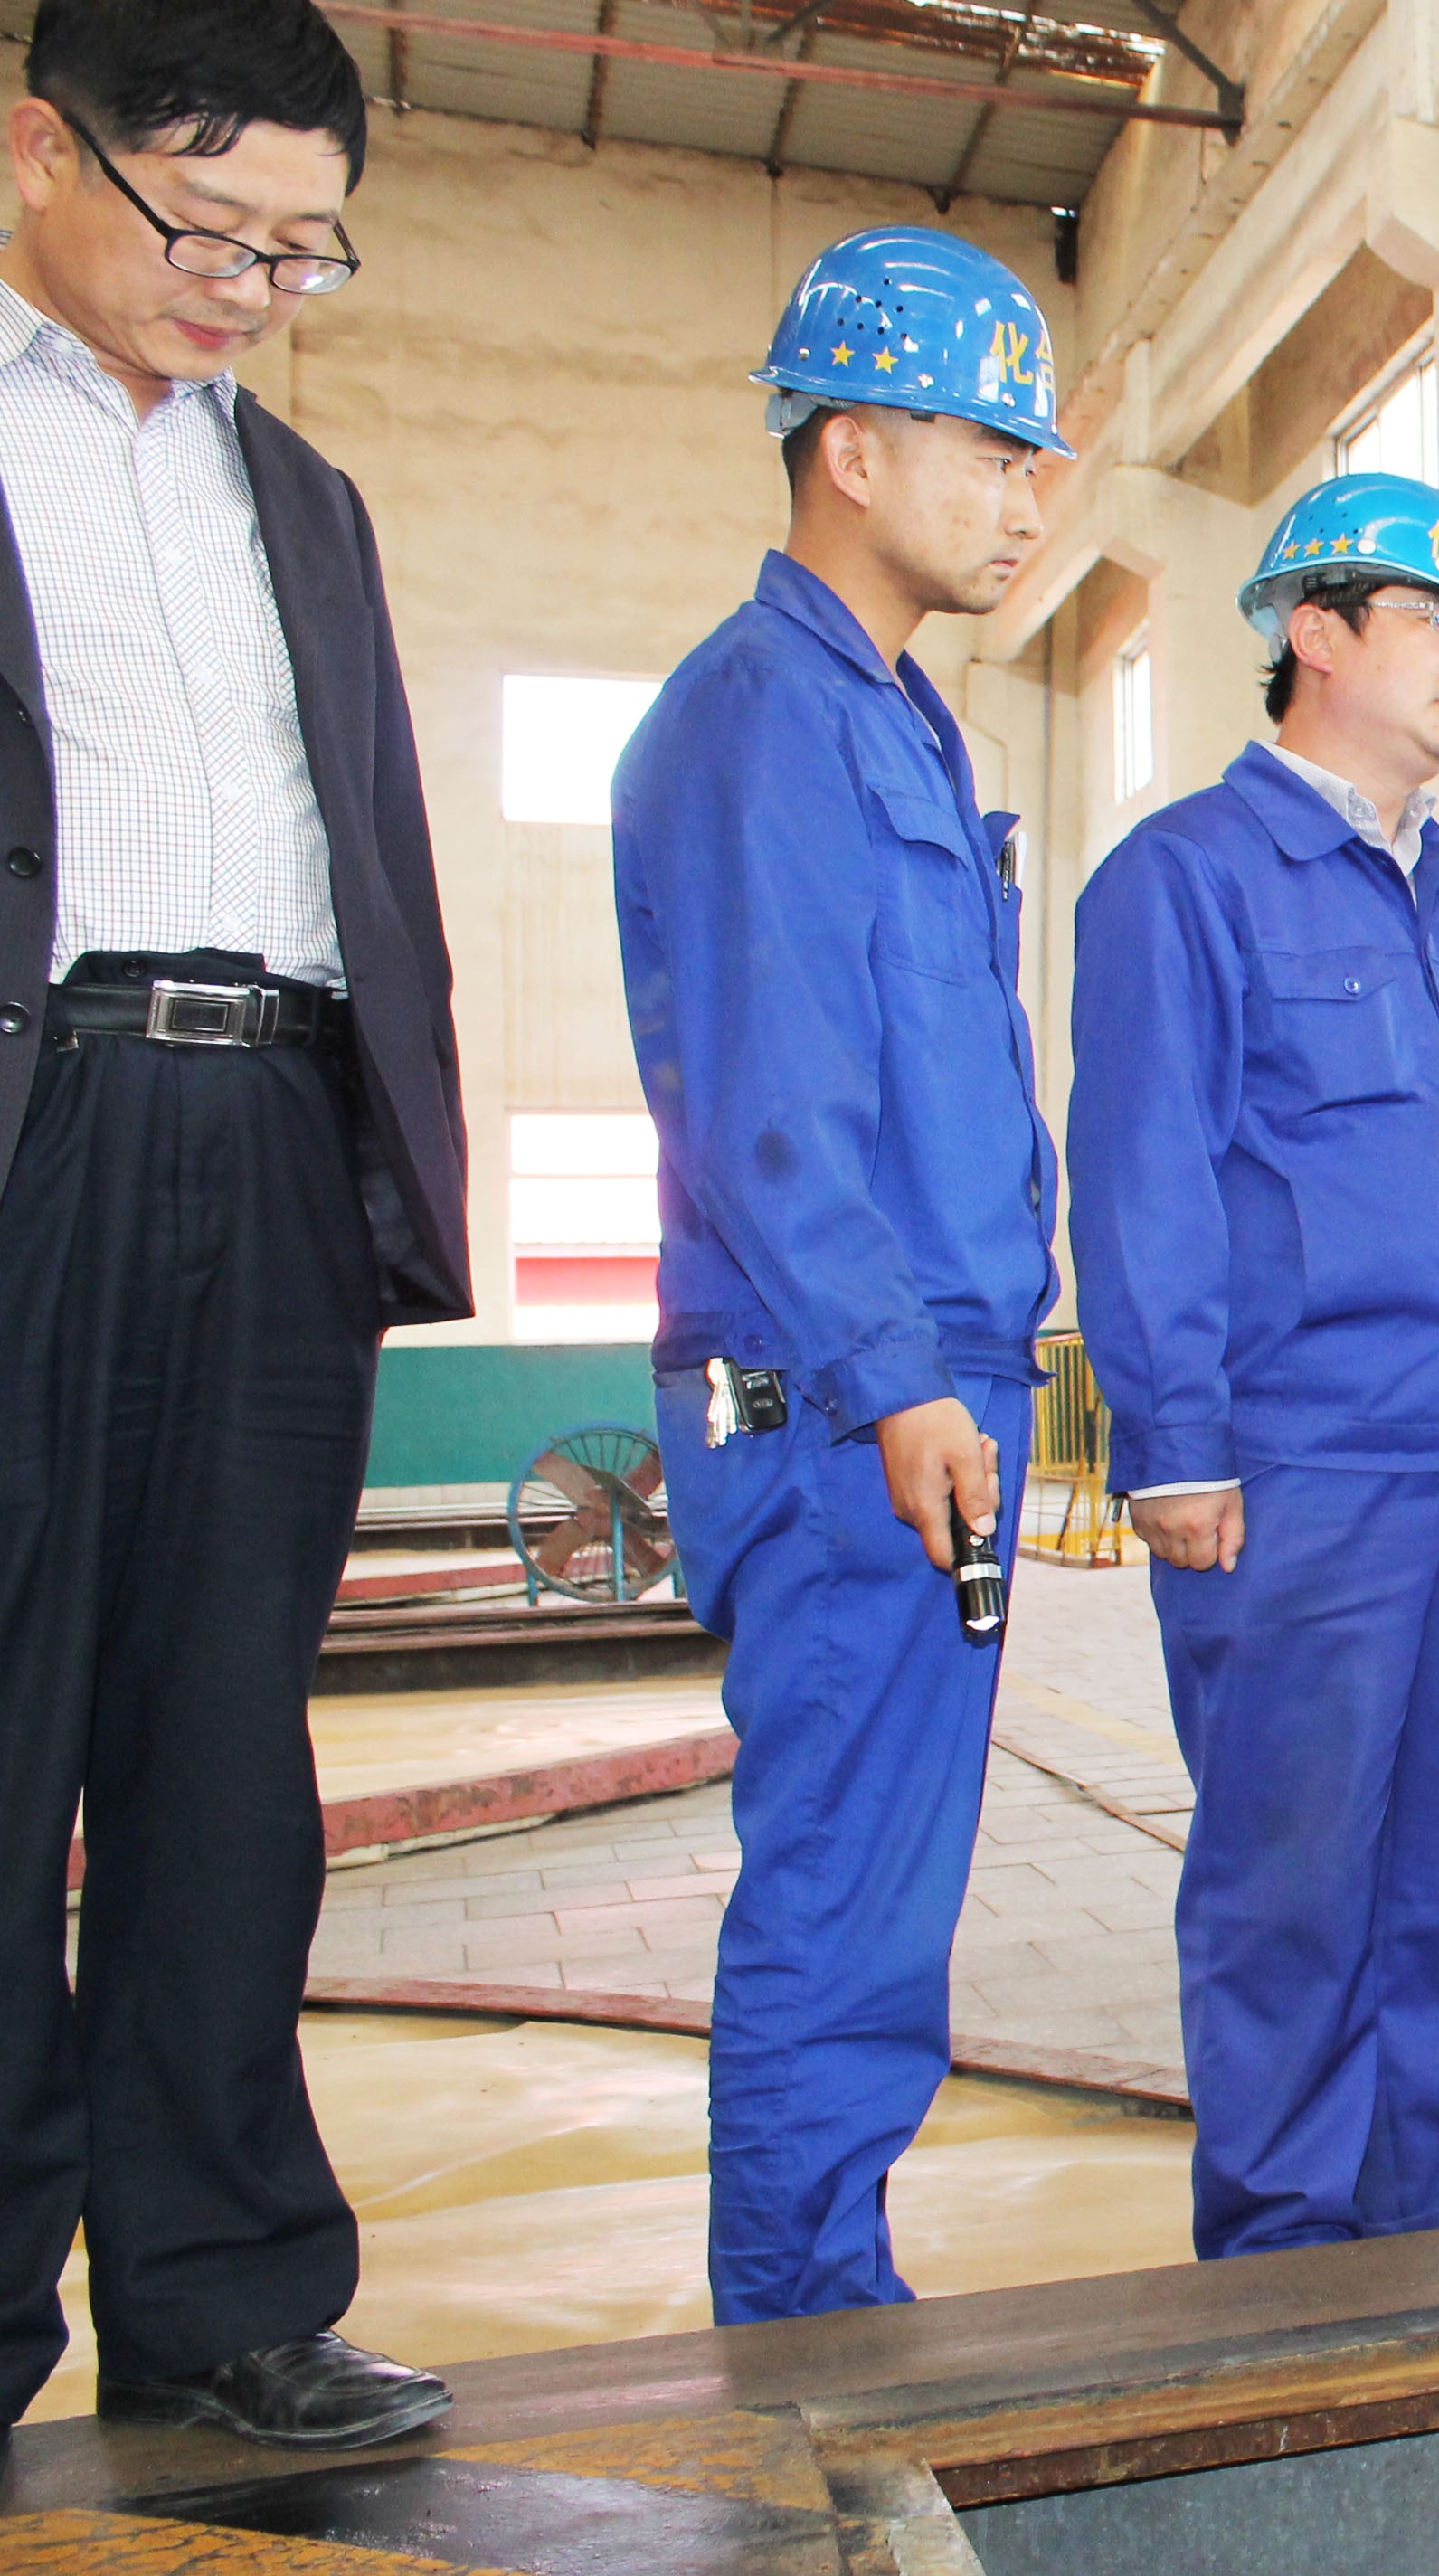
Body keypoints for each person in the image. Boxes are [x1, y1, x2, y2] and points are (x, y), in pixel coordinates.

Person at [0, 0, 464, 2449]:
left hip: (275, 1130)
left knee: (221, 1750)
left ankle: (221, 2298)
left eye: (304, 249)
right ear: (34, 148)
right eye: (210, 229)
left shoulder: (307, 498)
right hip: (38, 1117)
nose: (255, 287)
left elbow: (369, 834)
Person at [614, 225, 1065, 2324]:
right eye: (991, 449)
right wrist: (897, 1377)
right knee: (842, 1888)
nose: (1023, 499)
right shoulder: (757, 719)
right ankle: (798, 2342)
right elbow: (772, 1103)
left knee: (887, 1893)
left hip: (923, 1373)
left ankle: (828, 2294)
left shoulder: (903, 723)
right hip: (843, 1395)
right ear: (855, 451)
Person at [1068, 474, 1439, 2256]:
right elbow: (1143, 1172)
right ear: (1314, 630)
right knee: (1292, 1869)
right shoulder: (1188, 881)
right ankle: (1287, 2236)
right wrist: (1175, 1440)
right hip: (1296, 1468)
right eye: (1438, 621)